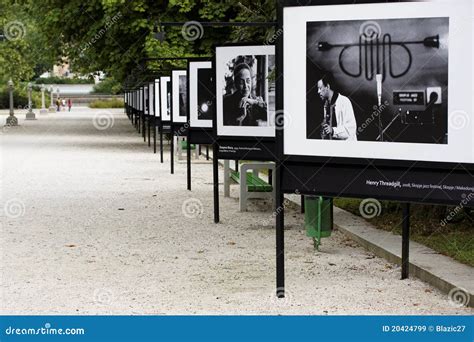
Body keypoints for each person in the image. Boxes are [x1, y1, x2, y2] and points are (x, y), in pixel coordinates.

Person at [317, 72, 357, 141]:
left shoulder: (344, 101)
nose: (318, 91)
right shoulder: (326, 105)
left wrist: (333, 130)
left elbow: (351, 130)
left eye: (320, 88)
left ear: (327, 87)